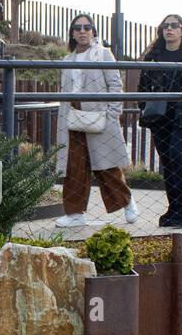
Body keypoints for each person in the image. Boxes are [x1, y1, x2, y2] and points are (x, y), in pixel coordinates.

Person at [55, 14, 137, 228]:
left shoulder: (103, 54)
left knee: (106, 164)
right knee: (75, 166)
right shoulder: (67, 60)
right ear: (72, 33)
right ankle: (75, 213)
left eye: (87, 27)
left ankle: (127, 202)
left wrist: (112, 115)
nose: (82, 31)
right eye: (78, 27)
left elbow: (115, 85)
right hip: (73, 113)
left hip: (99, 115)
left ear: (94, 31)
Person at [138, 13, 182, 229]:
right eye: (165, 26)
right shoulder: (152, 56)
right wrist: (145, 107)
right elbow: (142, 86)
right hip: (159, 116)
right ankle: (173, 209)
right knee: (167, 161)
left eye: (174, 26)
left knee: (176, 155)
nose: (169, 29)